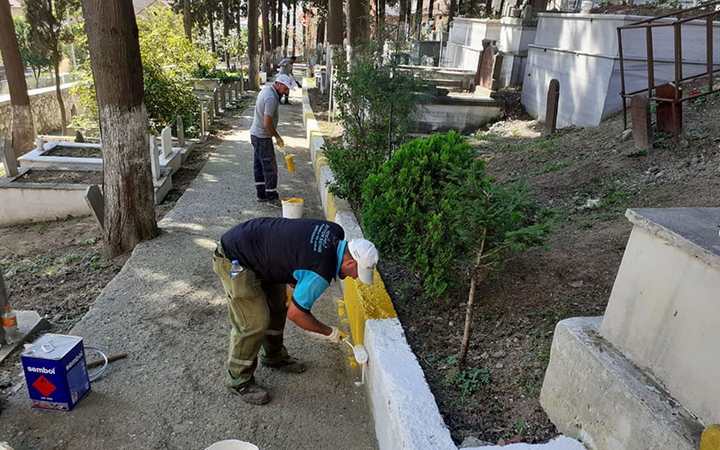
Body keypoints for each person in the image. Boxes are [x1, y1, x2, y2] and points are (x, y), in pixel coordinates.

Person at [212, 217, 380, 405]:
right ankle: (238, 381)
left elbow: (298, 248)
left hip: (256, 247)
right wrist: (329, 332)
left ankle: (273, 356)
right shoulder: (320, 271)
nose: (354, 278)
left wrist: (294, 277)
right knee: (253, 322)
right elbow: (297, 314)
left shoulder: (334, 231)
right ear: (350, 264)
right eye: (357, 273)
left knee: (277, 307)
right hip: (234, 260)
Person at [249, 74, 296, 205]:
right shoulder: (271, 98)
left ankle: (261, 194)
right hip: (262, 136)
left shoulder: (267, 90)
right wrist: (277, 137)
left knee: (259, 165)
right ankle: (271, 196)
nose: (286, 92)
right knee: (270, 166)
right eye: (285, 89)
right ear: (279, 84)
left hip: (255, 134)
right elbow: (267, 123)